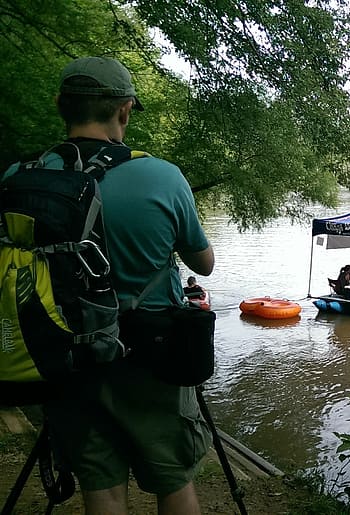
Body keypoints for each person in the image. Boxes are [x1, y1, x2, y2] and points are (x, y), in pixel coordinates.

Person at [19, 56, 215, 514]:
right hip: (150, 354)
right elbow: (203, 264)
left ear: (59, 106)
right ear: (124, 110)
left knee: (100, 485)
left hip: (63, 355)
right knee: (172, 479)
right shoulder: (161, 175)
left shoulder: (20, 179)